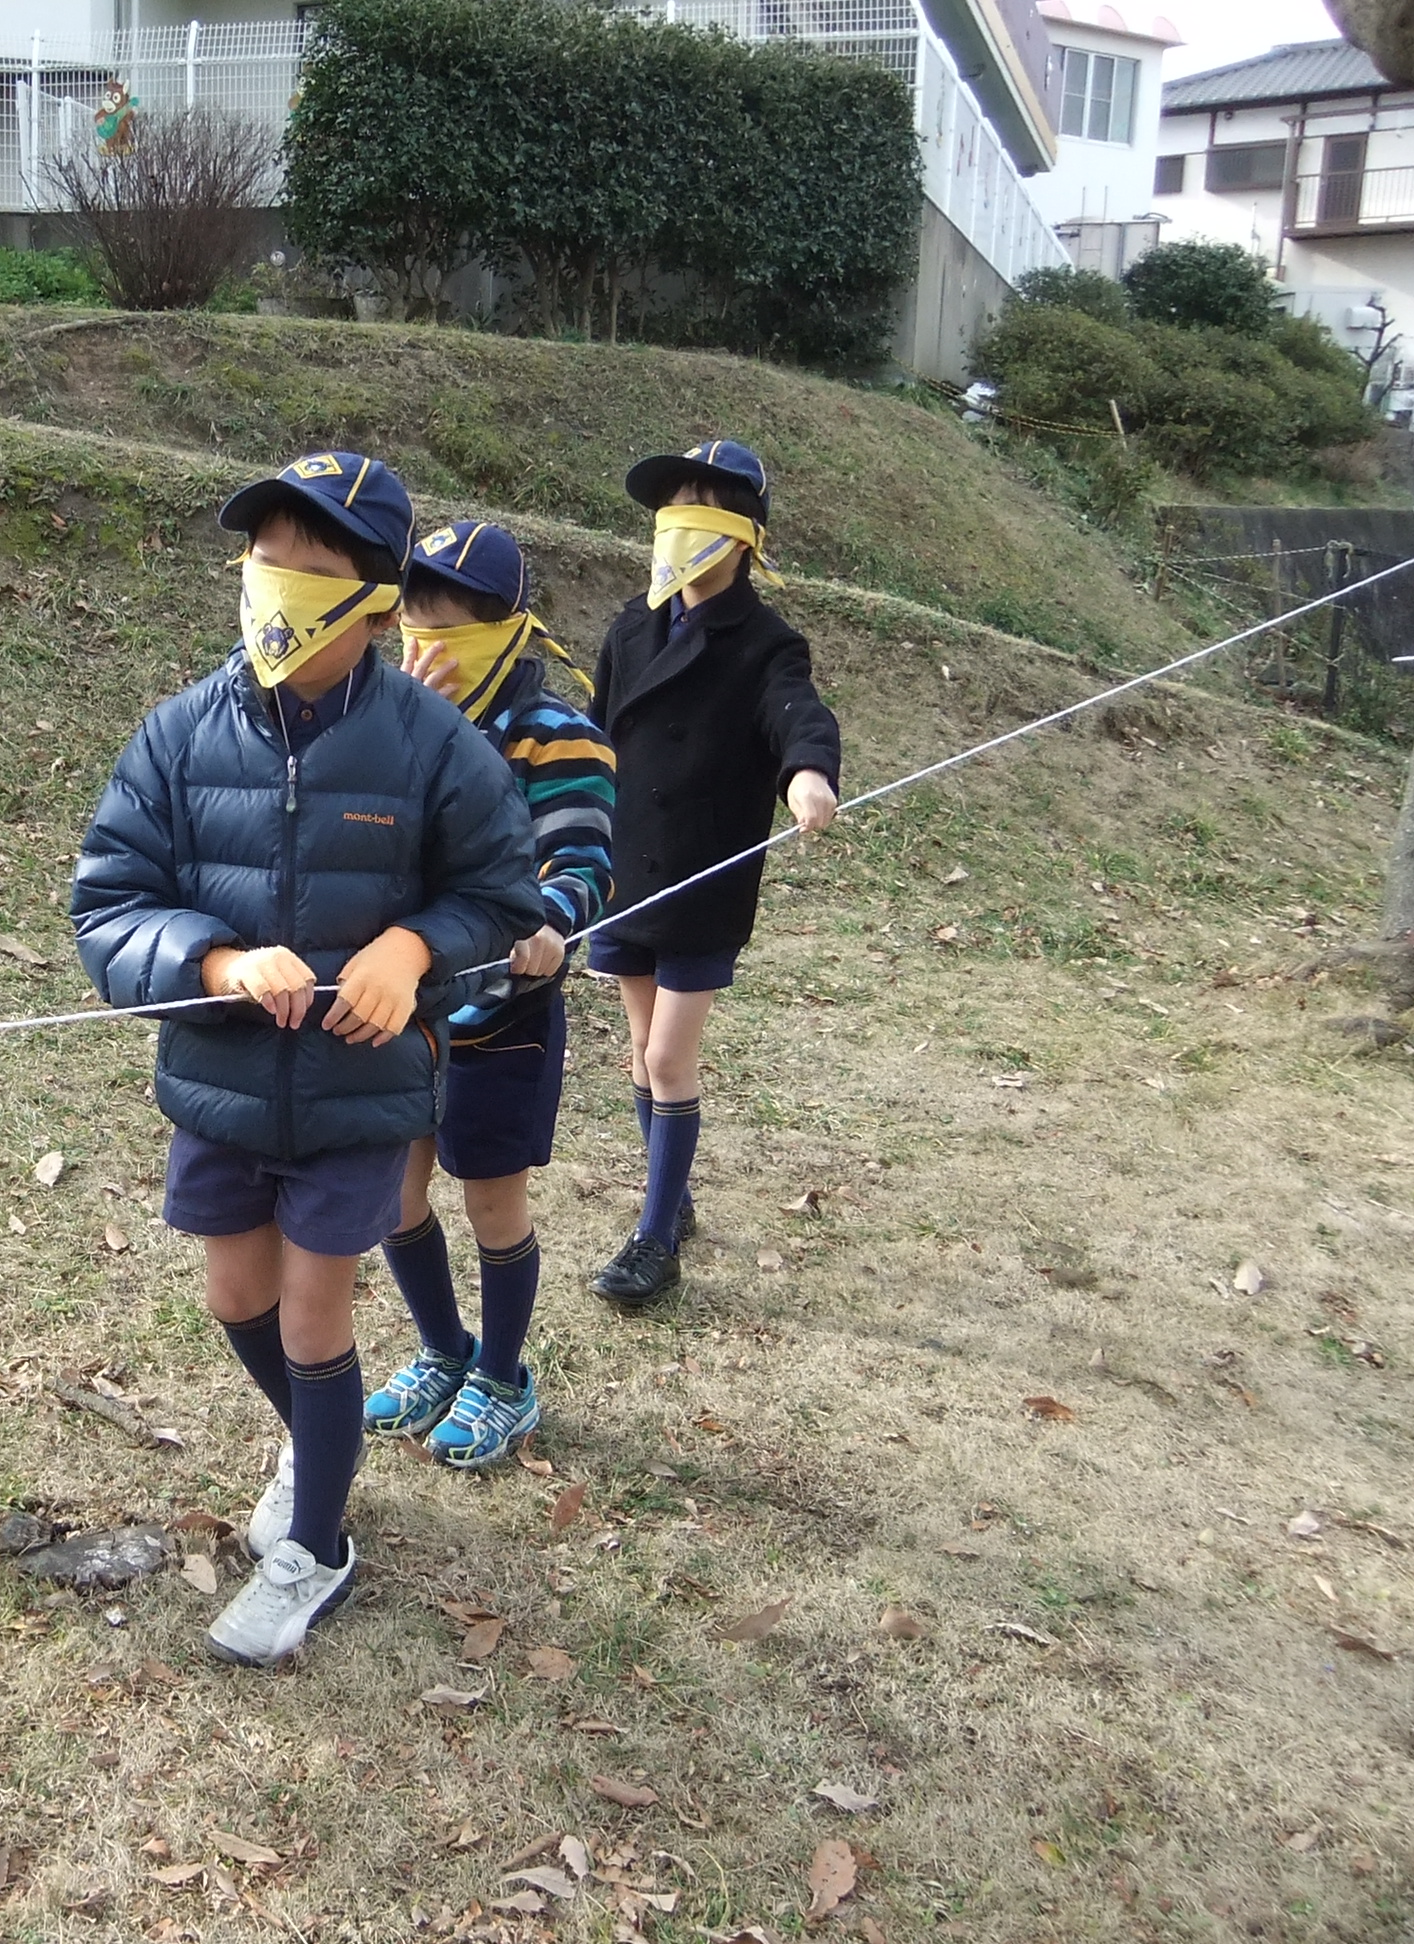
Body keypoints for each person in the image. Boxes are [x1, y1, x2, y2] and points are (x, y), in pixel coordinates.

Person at [73, 453, 540, 1665]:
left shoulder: (433, 743)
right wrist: (215, 964)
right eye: (265, 559)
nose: (277, 588)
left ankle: (317, 1546)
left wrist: (408, 946)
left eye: (314, 568)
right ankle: (320, 1445)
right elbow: (109, 904)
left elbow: (500, 892)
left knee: (314, 1315)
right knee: (238, 1299)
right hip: (221, 1084)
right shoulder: (177, 735)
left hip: (359, 1094)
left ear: (378, 603)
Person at [364, 521, 613, 1468]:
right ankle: (442, 1351)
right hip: (401, 1005)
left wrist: (551, 923)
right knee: (394, 1193)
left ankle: (504, 1377)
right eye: (413, 623)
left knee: (492, 1205)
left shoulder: (558, 738)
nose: (427, 648)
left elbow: (583, 857)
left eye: (452, 627)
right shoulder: (384, 719)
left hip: (502, 1012)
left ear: (510, 630)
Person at [587, 441, 839, 1312]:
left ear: (746, 537)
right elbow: (593, 733)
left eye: (703, 510)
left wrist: (808, 771)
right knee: (639, 1046)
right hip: (625, 871)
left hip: (701, 878)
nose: (679, 528)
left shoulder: (766, 643)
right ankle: (674, 1192)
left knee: (668, 1054)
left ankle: (656, 1238)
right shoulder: (630, 626)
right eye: (671, 511)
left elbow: (796, 713)